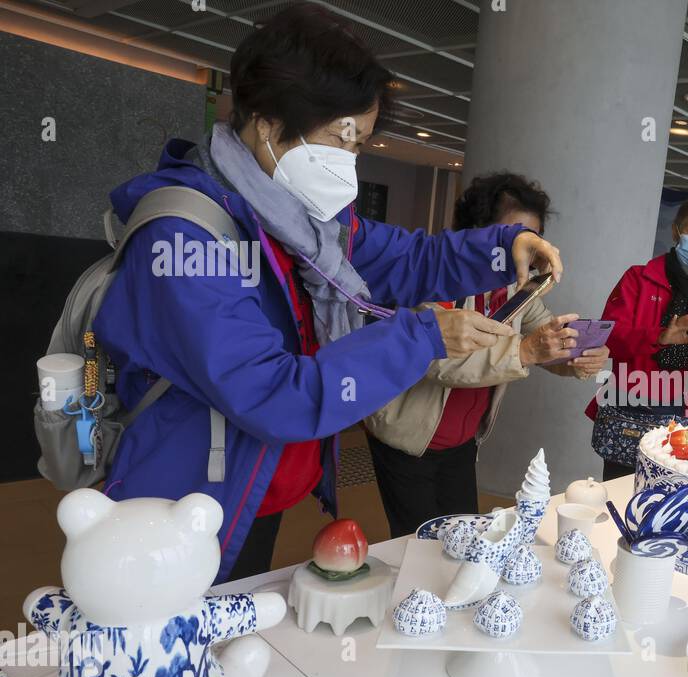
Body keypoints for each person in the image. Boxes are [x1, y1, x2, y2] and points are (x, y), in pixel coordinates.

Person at [92, 5, 562, 582]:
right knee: (175, 646)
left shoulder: (305, 224)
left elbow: (406, 256)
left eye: (360, 144)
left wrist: (502, 247)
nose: (350, 162)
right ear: (267, 122)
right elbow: (271, 391)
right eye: (343, 139)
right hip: (182, 503)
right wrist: (422, 336)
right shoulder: (188, 237)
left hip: (252, 484)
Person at [364, 173, 608, 538]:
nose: (526, 247)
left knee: (464, 541)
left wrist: (575, 357)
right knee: (418, 547)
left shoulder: (515, 286)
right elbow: (439, 361)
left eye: (534, 237)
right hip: (407, 440)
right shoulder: (434, 278)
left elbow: (540, 333)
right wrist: (527, 351)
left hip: (462, 442)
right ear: (481, 232)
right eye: (514, 235)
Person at [589, 194, 688, 479]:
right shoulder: (638, 279)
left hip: (683, 415)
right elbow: (609, 336)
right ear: (676, 231)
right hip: (630, 404)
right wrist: (660, 336)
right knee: (619, 491)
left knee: (669, 502)